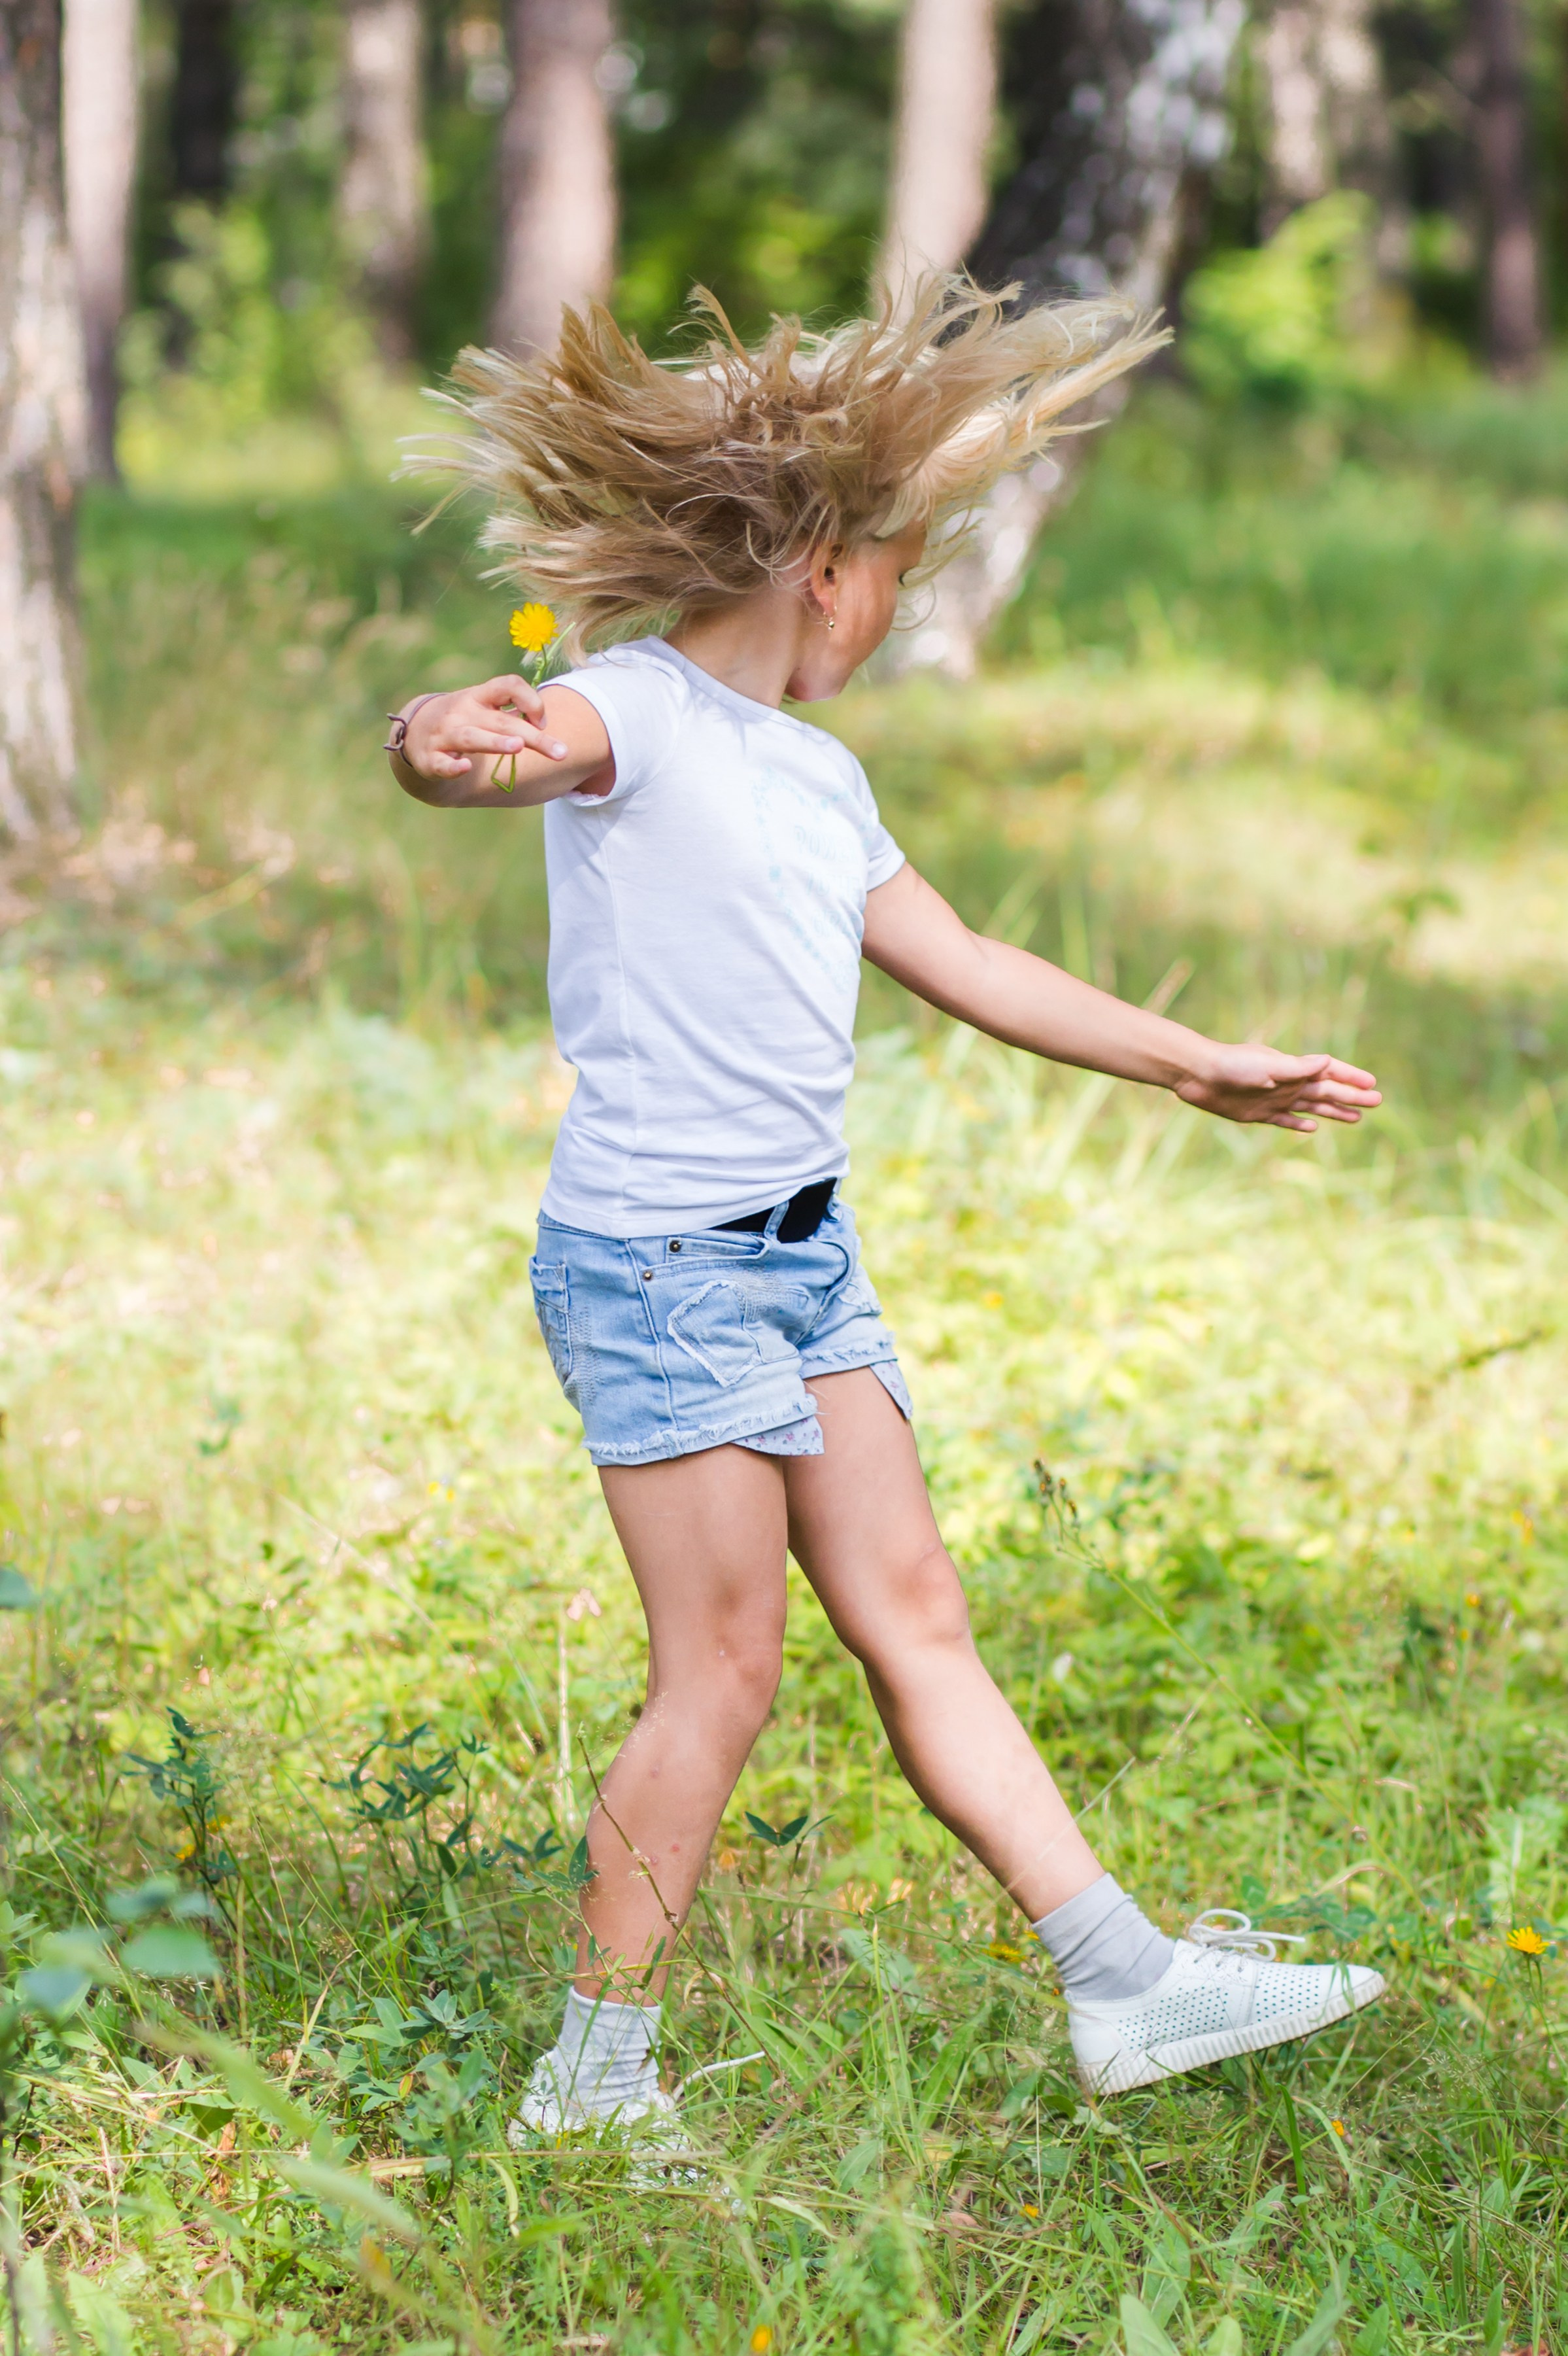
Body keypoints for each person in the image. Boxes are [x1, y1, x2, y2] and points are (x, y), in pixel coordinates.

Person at [386, 281, 1385, 2129]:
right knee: (725, 1670)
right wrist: (438, 724)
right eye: (899, 581)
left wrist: (1196, 1064)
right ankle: (590, 2082)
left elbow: (975, 963)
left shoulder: (821, 776)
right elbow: (493, 750)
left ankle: (1126, 1983)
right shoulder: (637, 708)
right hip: (661, 1270)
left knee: (917, 1606)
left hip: (802, 1261)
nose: (897, 615)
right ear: (824, 566)